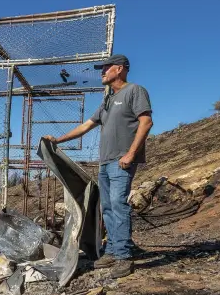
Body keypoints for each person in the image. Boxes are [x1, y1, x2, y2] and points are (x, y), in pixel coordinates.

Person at [43, 54, 153, 278]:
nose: (102, 72)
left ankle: (124, 257)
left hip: (122, 161)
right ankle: (112, 250)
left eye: (106, 68)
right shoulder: (107, 100)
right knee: (109, 208)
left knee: (118, 205)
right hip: (106, 162)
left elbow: (146, 122)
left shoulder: (134, 91)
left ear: (120, 69)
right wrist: (58, 140)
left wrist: (131, 154)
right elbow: (86, 126)